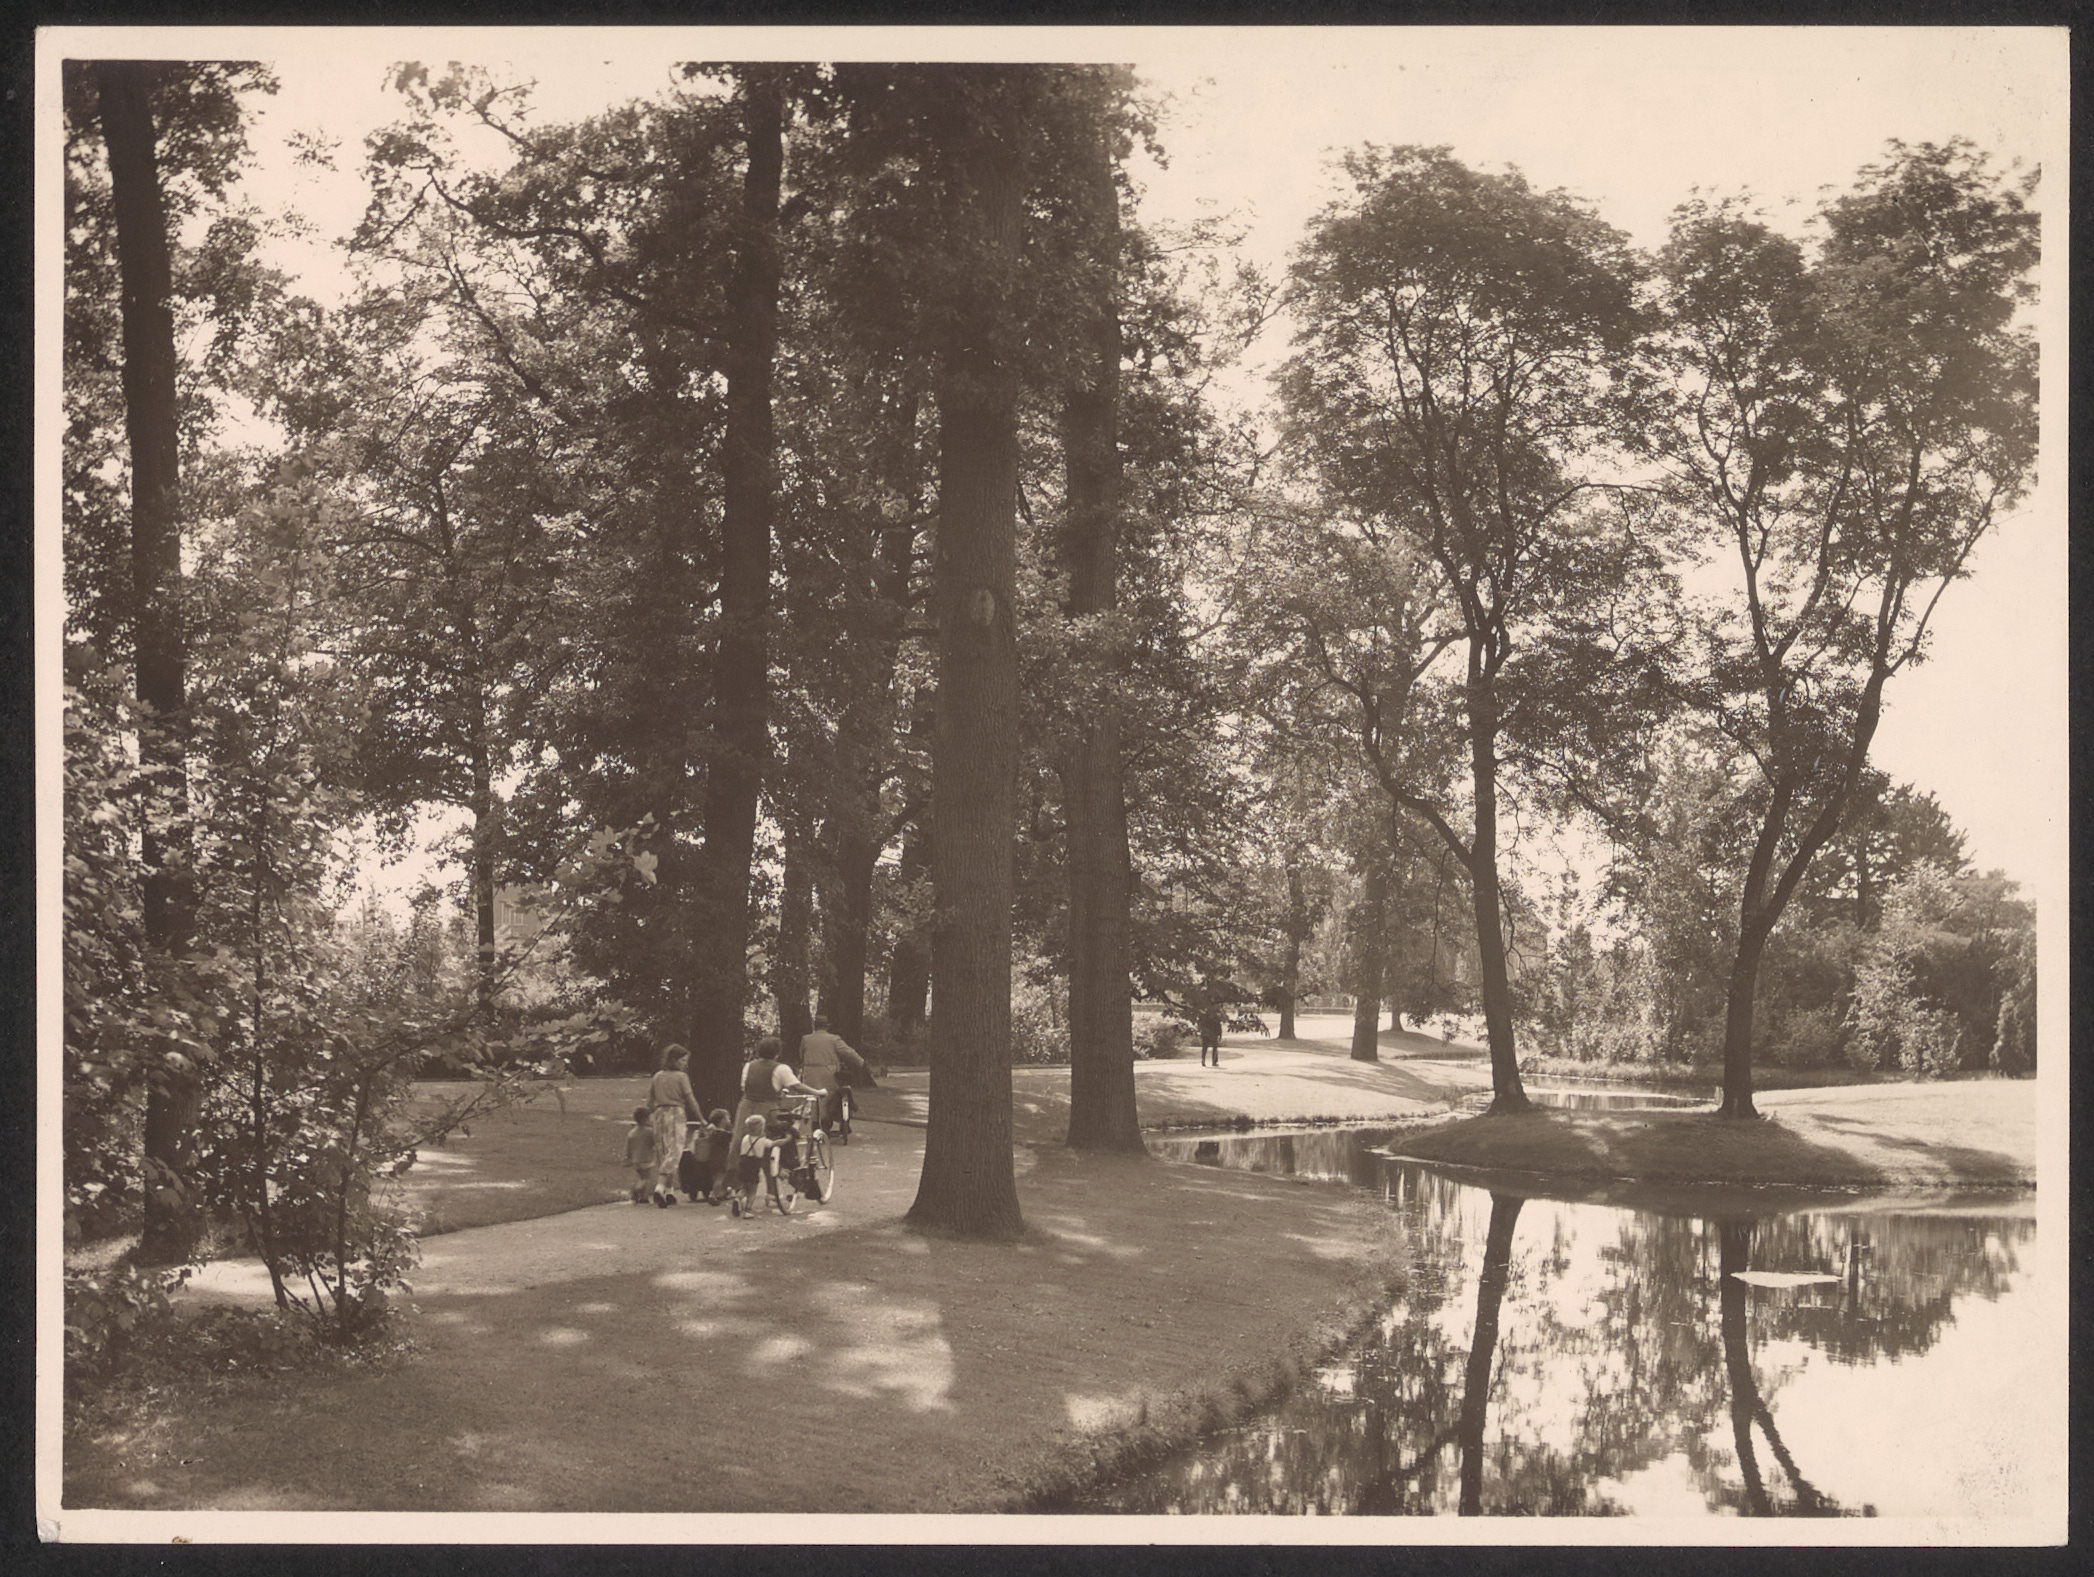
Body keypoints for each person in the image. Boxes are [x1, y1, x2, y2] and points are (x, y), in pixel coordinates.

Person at [646, 1044, 704, 1207]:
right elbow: (691, 1099)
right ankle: (660, 1187)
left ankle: (669, 1191)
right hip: (676, 1114)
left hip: (659, 1115)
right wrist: (701, 1118)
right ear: (674, 1060)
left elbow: (650, 1101)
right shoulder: (681, 1077)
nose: (685, 1064)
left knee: (663, 1152)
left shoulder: (657, 1076)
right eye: (683, 1060)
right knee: (675, 1151)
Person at [733, 1035, 822, 1138]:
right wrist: (818, 1092)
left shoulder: (749, 1066)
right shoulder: (780, 1068)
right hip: (768, 1109)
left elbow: (745, 1087)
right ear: (777, 1053)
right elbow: (797, 1086)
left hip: (747, 1108)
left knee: (741, 1138)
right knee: (773, 1137)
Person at [798, 1015, 872, 1136]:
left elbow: (801, 1055)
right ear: (827, 1026)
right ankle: (829, 1122)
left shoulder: (805, 1039)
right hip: (828, 1072)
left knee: (812, 1097)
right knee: (830, 1097)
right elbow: (848, 1052)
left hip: (810, 1073)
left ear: (815, 1026)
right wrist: (860, 1062)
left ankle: (815, 1124)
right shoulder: (834, 1039)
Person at [679, 1108, 735, 1205]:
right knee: (720, 1179)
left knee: (715, 1178)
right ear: (722, 1120)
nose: (729, 1120)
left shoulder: (711, 1132)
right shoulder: (724, 1134)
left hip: (711, 1160)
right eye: (728, 1118)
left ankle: (718, 1193)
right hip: (722, 1160)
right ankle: (713, 1195)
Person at [729, 1114, 781, 1216]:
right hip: (753, 1167)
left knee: (744, 1188)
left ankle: (738, 1198)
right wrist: (787, 1139)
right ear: (761, 1129)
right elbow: (774, 1143)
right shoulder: (762, 1141)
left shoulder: (745, 1138)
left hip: (743, 1165)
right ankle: (748, 1211)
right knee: (752, 1190)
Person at [624, 1105, 656, 1203]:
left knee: (642, 1177)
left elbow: (627, 1146)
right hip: (646, 1159)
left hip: (635, 1160)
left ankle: (643, 1197)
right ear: (644, 1119)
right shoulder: (649, 1132)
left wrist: (627, 1157)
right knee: (646, 1178)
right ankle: (636, 1190)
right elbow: (655, 1142)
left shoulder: (632, 1132)